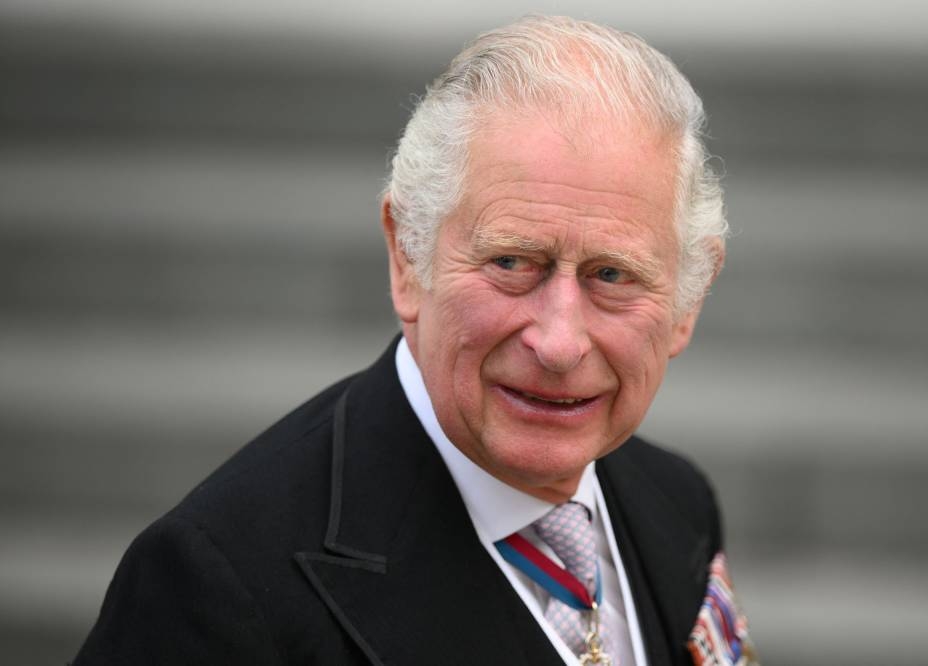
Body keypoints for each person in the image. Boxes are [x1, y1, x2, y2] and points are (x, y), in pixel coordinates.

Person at [74, 15, 756, 666]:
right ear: (407, 257)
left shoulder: (678, 503)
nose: (558, 342)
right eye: (512, 263)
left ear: (687, 301)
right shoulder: (221, 587)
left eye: (612, 275)